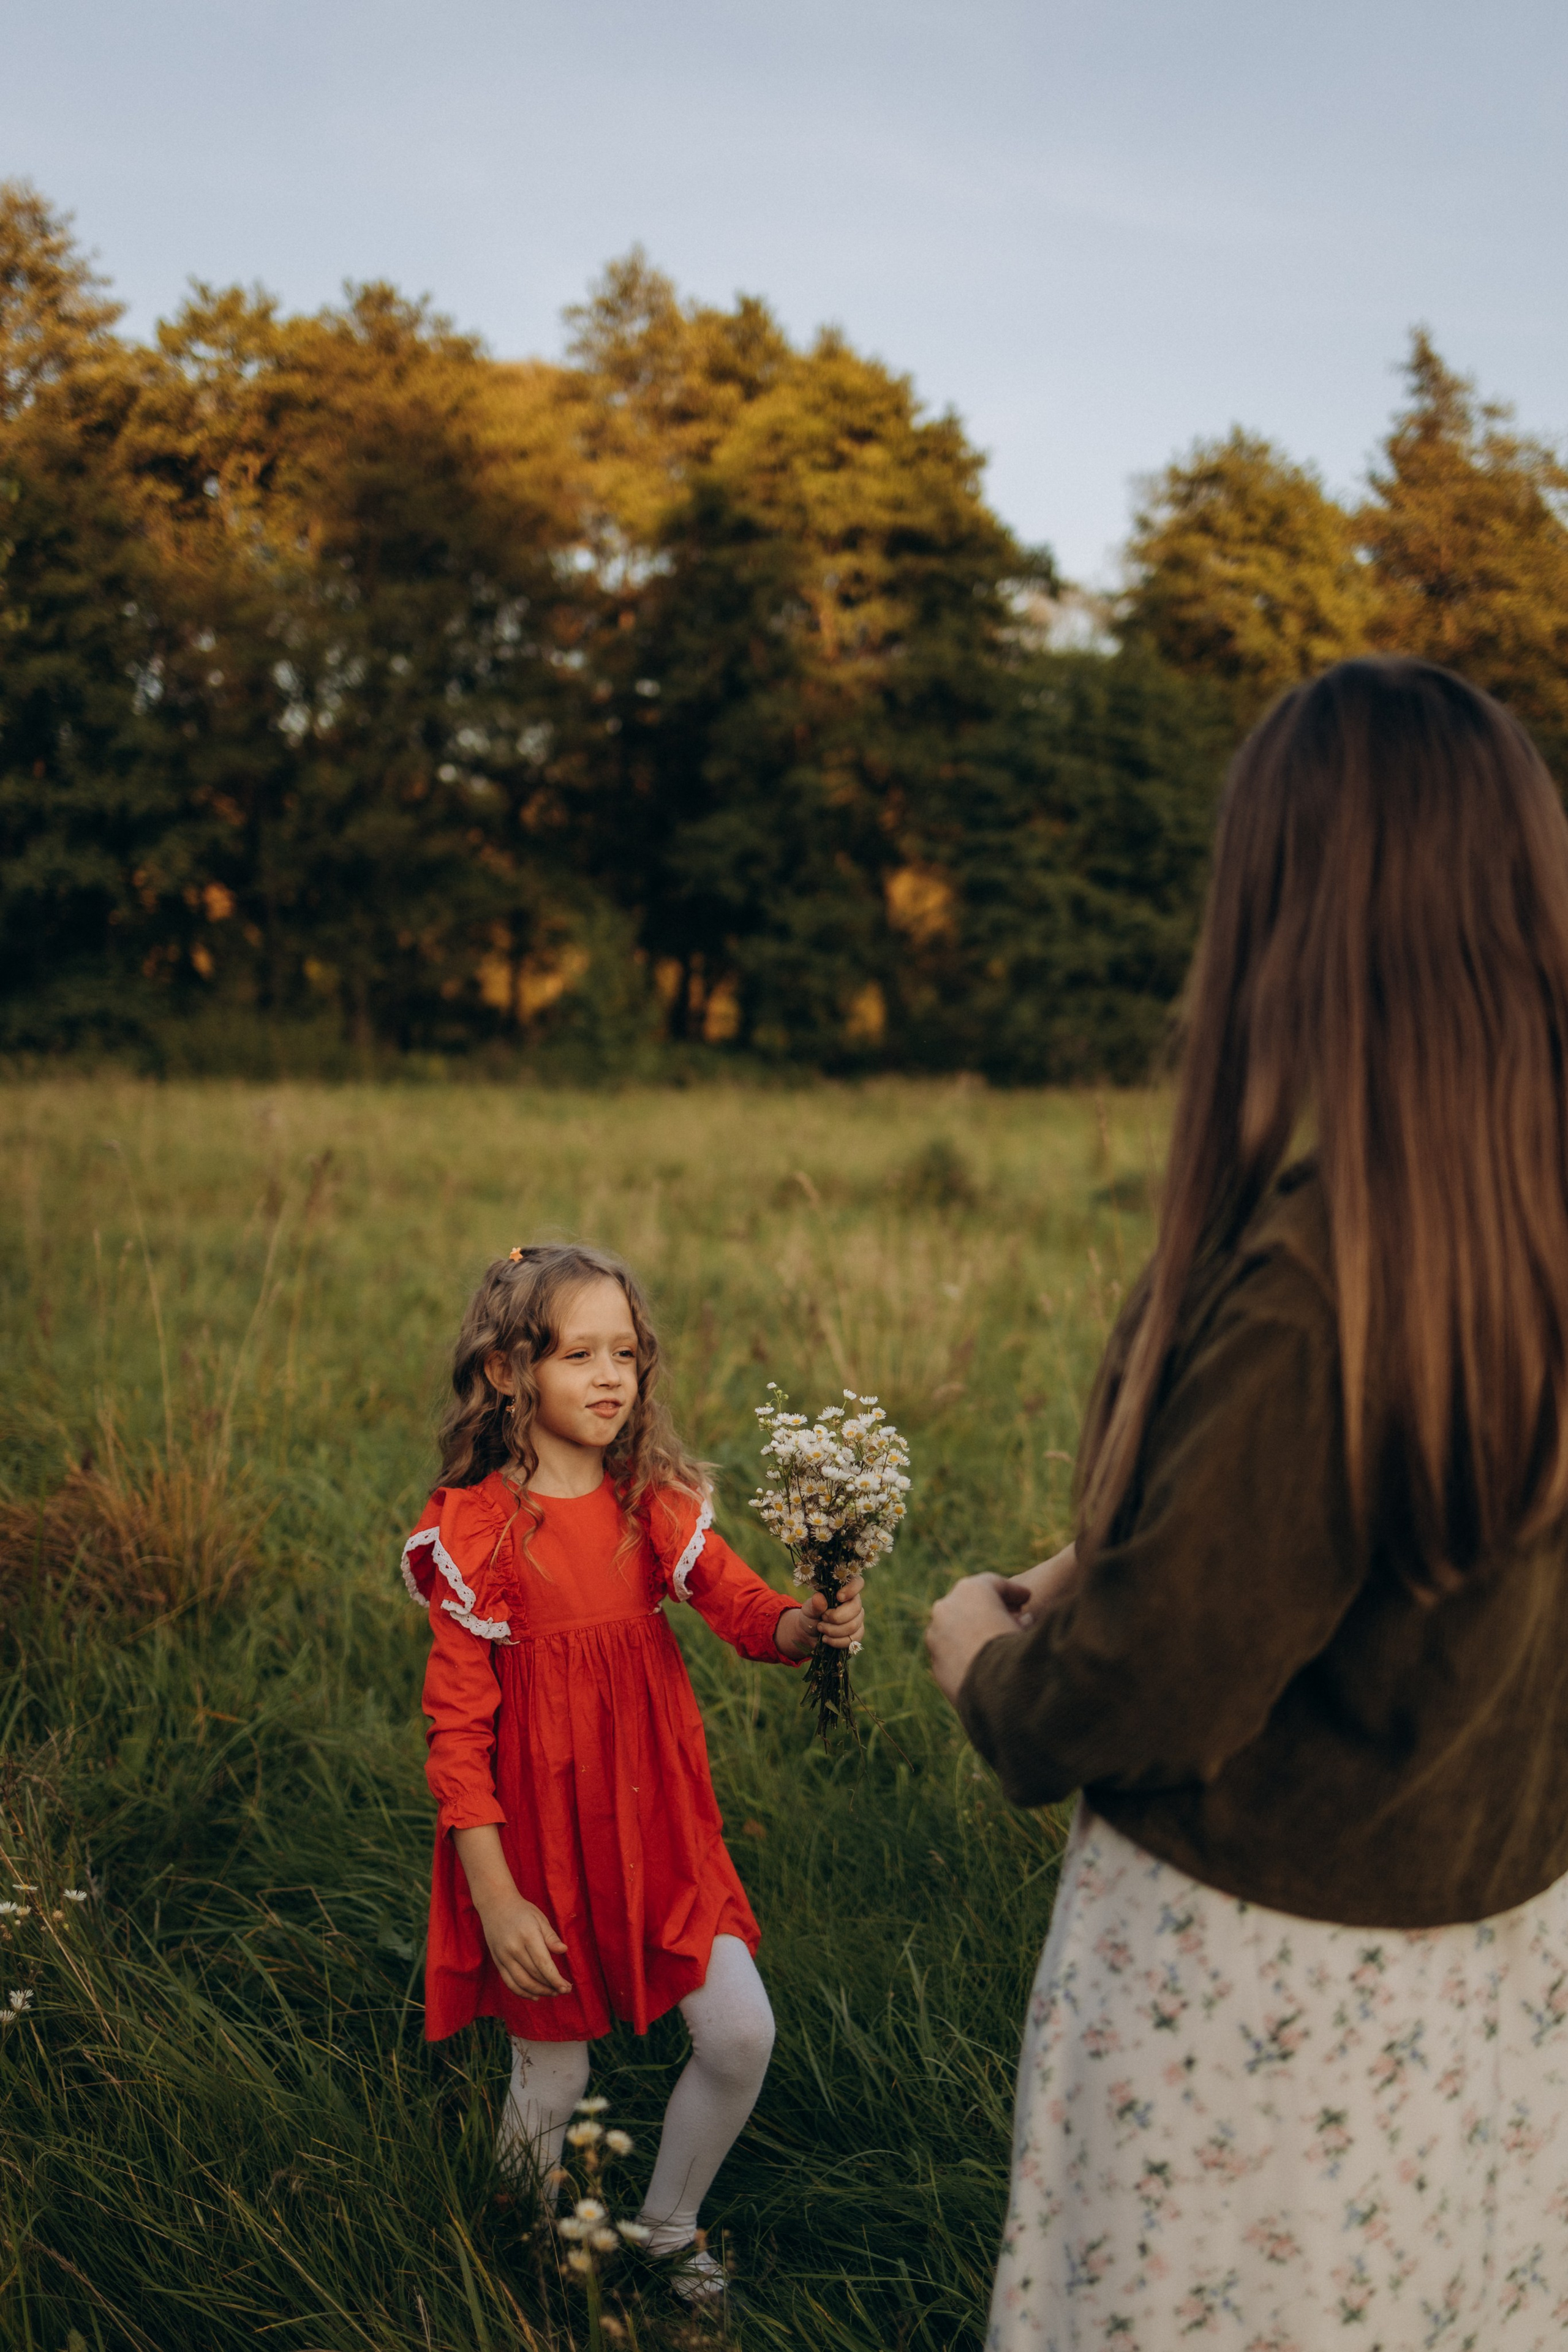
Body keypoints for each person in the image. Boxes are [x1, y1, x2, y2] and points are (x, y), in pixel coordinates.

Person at [926, 660, 1568, 2348]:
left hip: (1265, 2021)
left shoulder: (1327, 1280)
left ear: (1299, 911)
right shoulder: (1526, 1240)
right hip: (1494, 1993)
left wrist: (980, 1654)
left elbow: (1149, 1690)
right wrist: (1123, 1550)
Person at [402, 1240, 864, 2306]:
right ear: (511, 1371)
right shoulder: (476, 1529)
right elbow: (457, 1730)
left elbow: (745, 1609)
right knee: (555, 2076)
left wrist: (807, 1626)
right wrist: (495, 1890)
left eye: (625, 1353)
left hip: (659, 1827)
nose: (611, 1377)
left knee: (742, 2033)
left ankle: (664, 2226)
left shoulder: (649, 1499)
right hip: (538, 1846)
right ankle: (519, 2261)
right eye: (578, 1354)